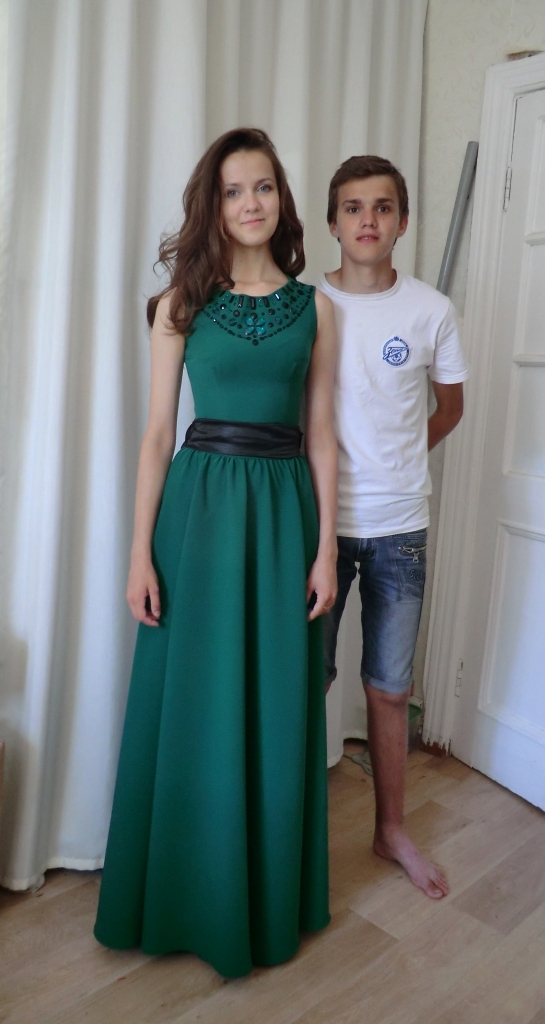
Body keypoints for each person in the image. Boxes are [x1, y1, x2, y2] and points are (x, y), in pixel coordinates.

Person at [94, 128, 338, 977]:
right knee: (193, 699)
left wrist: (325, 550)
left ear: (281, 198)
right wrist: (138, 554)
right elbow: (156, 435)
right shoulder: (180, 305)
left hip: (283, 517)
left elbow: (321, 435)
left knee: (272, 700)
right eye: (233, 190)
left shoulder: (318, 310)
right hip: (196, 517)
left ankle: (262, 900)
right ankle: (179, 897)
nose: (249, 203)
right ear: (214, 204)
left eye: (262, 186)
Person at [319, 155, 468, 899]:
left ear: (402, 221)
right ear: (332, 222)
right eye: (352, 207)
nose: (367, 220)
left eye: (382, 207)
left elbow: (449, 407)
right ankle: (290, 831)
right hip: (316, 528)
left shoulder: (430, 311)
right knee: (302, 680)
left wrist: (402, 459)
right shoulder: (306, 304)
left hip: (400, 529)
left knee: (387, 687)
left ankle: (391, 830)